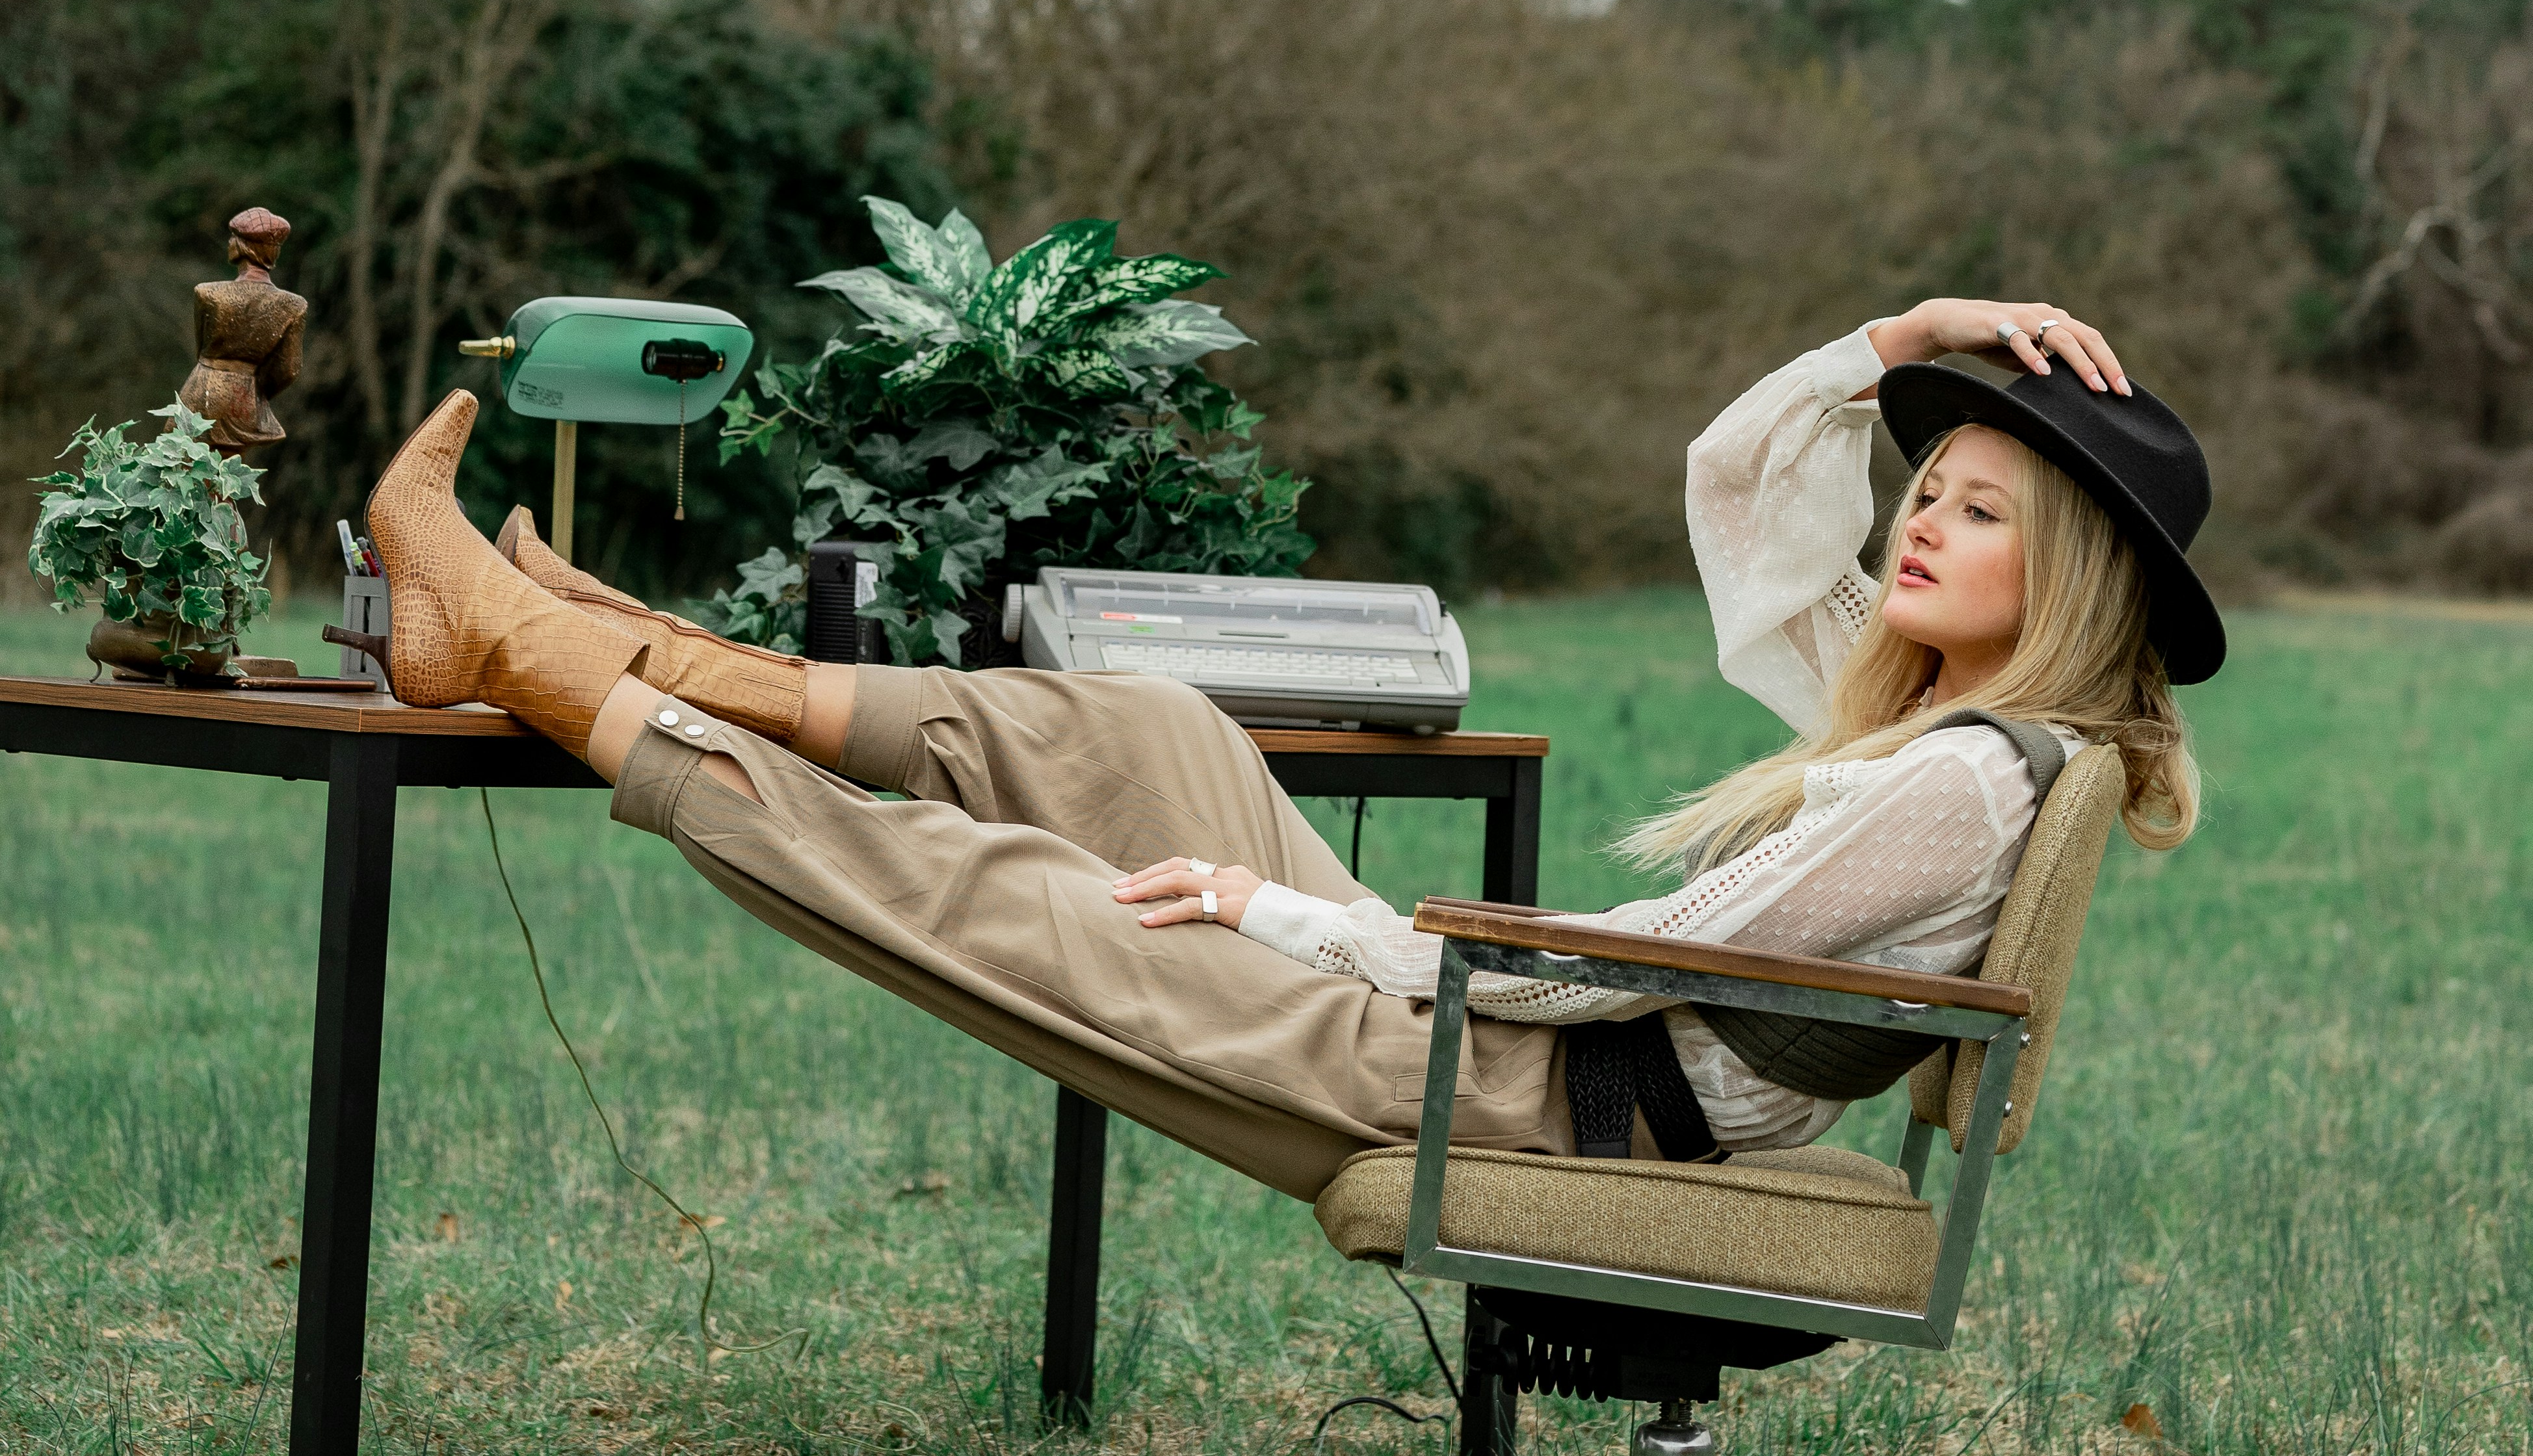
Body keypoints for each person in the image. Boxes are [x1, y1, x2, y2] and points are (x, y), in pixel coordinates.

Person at [365, 294, 2211, 1203]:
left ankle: (529, 653)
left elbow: (1606, 976)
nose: (1919, 525)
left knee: (1008, 895)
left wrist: (1291, 920)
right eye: (1928, 490)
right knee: (1153, 730)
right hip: (1525, 1050)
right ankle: (633, 642)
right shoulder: (1943, 732)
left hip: (1538, 1098)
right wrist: (1899, 341)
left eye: (1976, 513)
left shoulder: (1961, 777)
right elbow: (1740, 483)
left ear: (2061, 581)